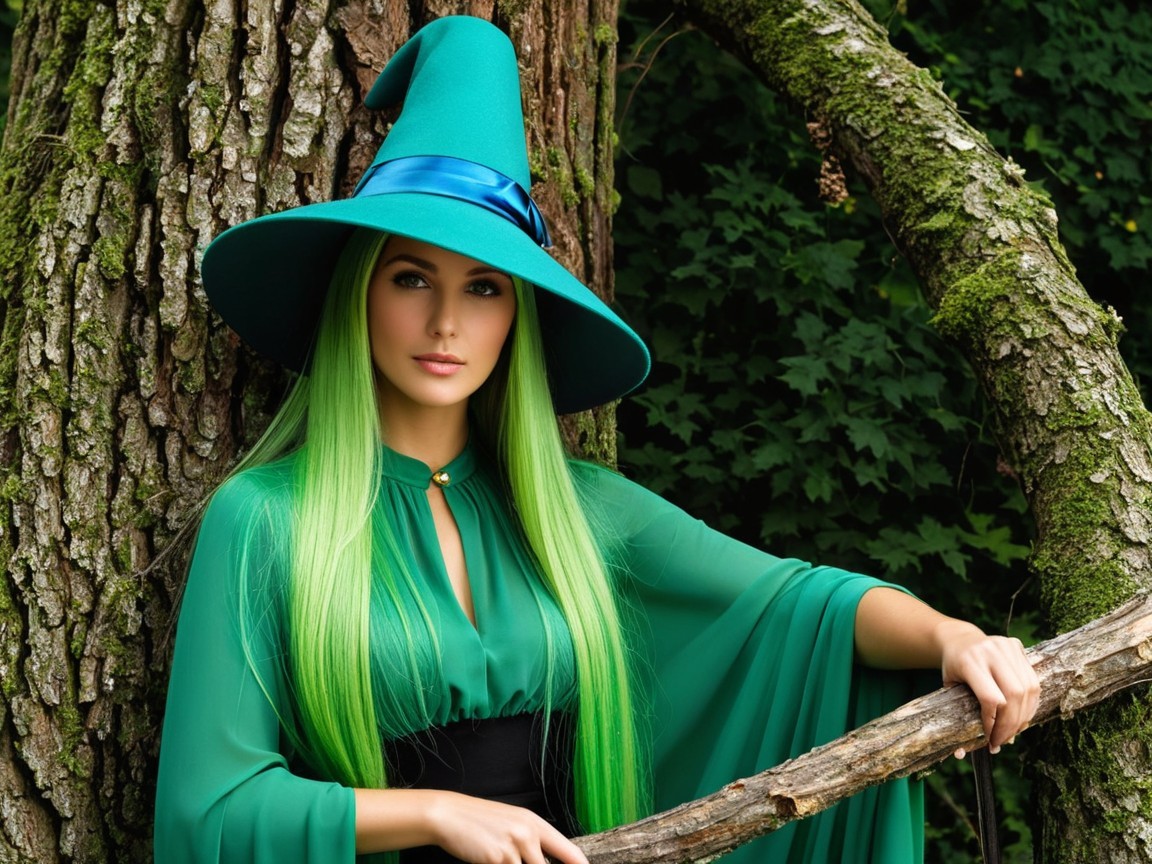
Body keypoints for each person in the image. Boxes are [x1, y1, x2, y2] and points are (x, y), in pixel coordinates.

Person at [153, 15, 1040, 864]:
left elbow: (802, 609)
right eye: (412, 278)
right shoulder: (265, 519)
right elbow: (212, 809)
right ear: (357, 296)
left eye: (486, 288)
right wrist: (433, 813)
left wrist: (954, 638)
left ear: (519, 319)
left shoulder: (579, 511)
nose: (447, 323)